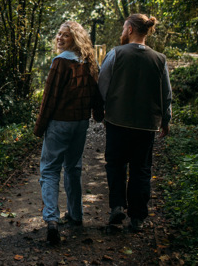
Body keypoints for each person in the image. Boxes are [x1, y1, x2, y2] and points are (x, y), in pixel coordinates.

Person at [98, 13, 172, 232]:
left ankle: (117, 206)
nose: (122, 32)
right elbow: (166, 94)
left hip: (117, 122)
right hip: (146, 125)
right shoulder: (160, 59)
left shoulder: (115, 54)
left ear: (130, 29)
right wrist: (165, 120)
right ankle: (137, 217)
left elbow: (103, 84)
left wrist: (104, 109)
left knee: (116, 165)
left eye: (123, 28)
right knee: (141, 169)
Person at [34, 21, 104, 245]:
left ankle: (52, 220)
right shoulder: (88, 61)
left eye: (65, 35)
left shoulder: (60, 62)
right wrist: (98, 113)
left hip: (60, 123)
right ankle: (76, 215)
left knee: (50, 169)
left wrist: (40, 127)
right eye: (58, 34)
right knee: (73, 167)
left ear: (76, 38)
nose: (59, 38)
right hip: (80, 123)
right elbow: (96, 91)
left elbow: (49, 99)